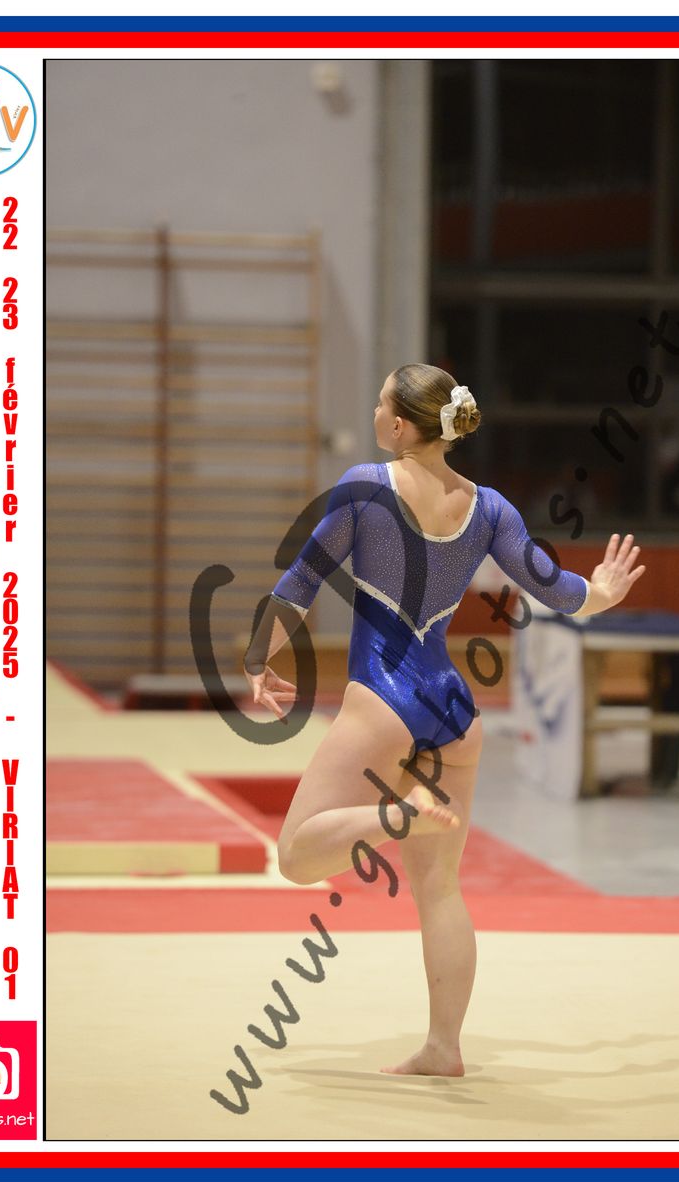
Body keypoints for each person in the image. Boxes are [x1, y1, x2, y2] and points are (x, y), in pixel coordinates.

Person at [242, 364, 645, 1077]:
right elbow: (554, 589)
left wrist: (255, 660)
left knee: (297, 856)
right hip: (453, 711)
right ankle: (444, 1048)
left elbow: (300, 582)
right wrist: (600, 593)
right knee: (441, 889)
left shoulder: (366, 488)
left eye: (380, 403)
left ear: (401, 425)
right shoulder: (489, 508)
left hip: (383, 701)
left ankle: (397, 814)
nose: (374, 412)